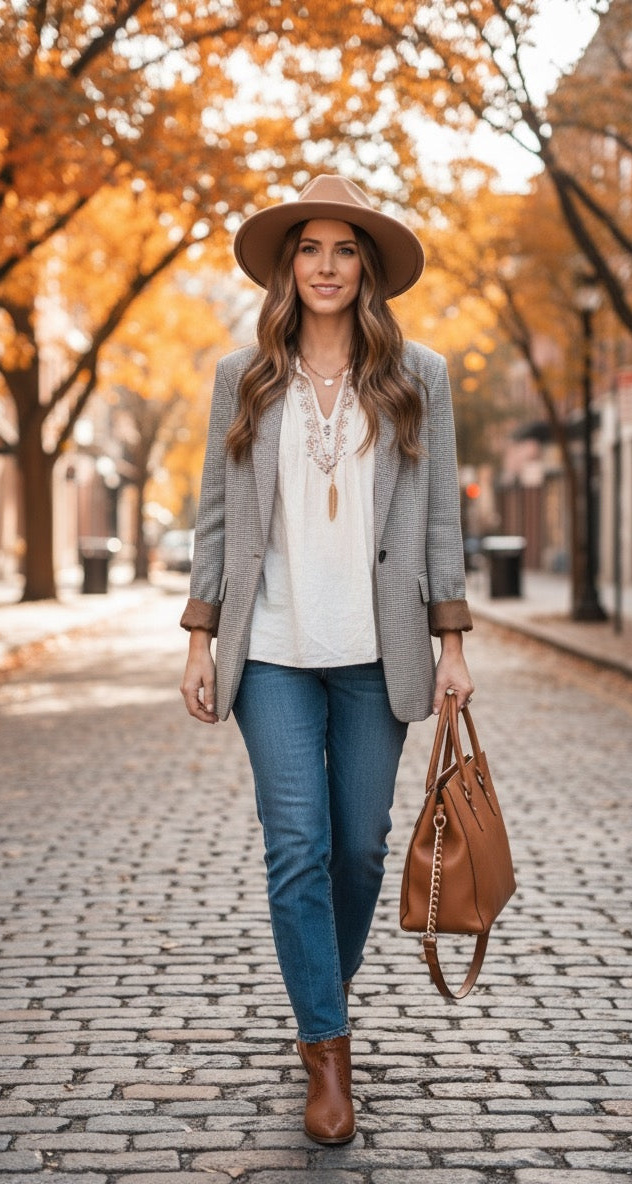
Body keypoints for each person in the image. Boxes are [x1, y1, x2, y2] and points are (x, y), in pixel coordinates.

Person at [179, 174, 474, 1144]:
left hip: (373, 651)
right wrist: (200, 634)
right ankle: (329, 1051)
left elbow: (440, 520)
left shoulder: (417, 375)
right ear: (286, 265)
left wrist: (454, 642)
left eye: (346, 250)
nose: (327, 266)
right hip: (270, 652)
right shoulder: (245, 377)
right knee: (295, 844)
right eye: (310, 248)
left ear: (369, 269)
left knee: (359, 847)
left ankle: (318, 982)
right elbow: (218, 518)